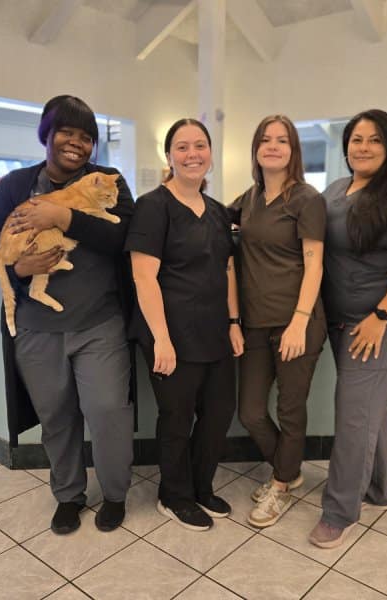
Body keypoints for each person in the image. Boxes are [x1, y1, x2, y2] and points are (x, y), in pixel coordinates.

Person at [0, 95, 135, 536]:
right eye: (67, 132)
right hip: (37, 328)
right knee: (56, 416)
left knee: (107, 411)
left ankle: (115, 494)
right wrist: (17, 267)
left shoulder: (109, 181)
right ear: (46, 134)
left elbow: (122, 235)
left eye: (86, 137)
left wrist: (62, 215)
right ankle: (68, 495)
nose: (76, 143)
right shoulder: (14, 185)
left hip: (99, 323)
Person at [309, 109, 387, 548]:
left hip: (384, 321)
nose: (362, 147)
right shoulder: (337, 190)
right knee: (369, 406)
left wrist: (380, 317)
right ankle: (379, 488)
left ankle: (339, 510)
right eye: (356, 139)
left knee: (354, 413)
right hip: (342, 320)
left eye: (374, 140)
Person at [126, 118, 244, 531]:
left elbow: (226, 269)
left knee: (218, 413)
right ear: (170, 156)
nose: (192, 154)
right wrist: (161, 337)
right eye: (182, 147)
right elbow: (144, 276)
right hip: (170, 332)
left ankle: (201, 485)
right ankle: (173, 495)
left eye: (200, 145)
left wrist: (233, 321)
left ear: (210, 153)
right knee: (177, 417)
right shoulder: (153, 206)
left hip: (214, 330)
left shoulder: (216, 211)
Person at [231, 115, 327, 528]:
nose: (273, 146)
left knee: (290, 408)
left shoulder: (306, 199)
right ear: (255, 148)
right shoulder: (248, 199)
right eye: (265, 140)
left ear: (293, 150)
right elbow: (208, 218)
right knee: (250, 411)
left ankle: (281, 484)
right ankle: (287, 469)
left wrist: (299, 322)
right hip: (255, 322)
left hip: (297, 321)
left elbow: (315, 263)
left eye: (282, 140)